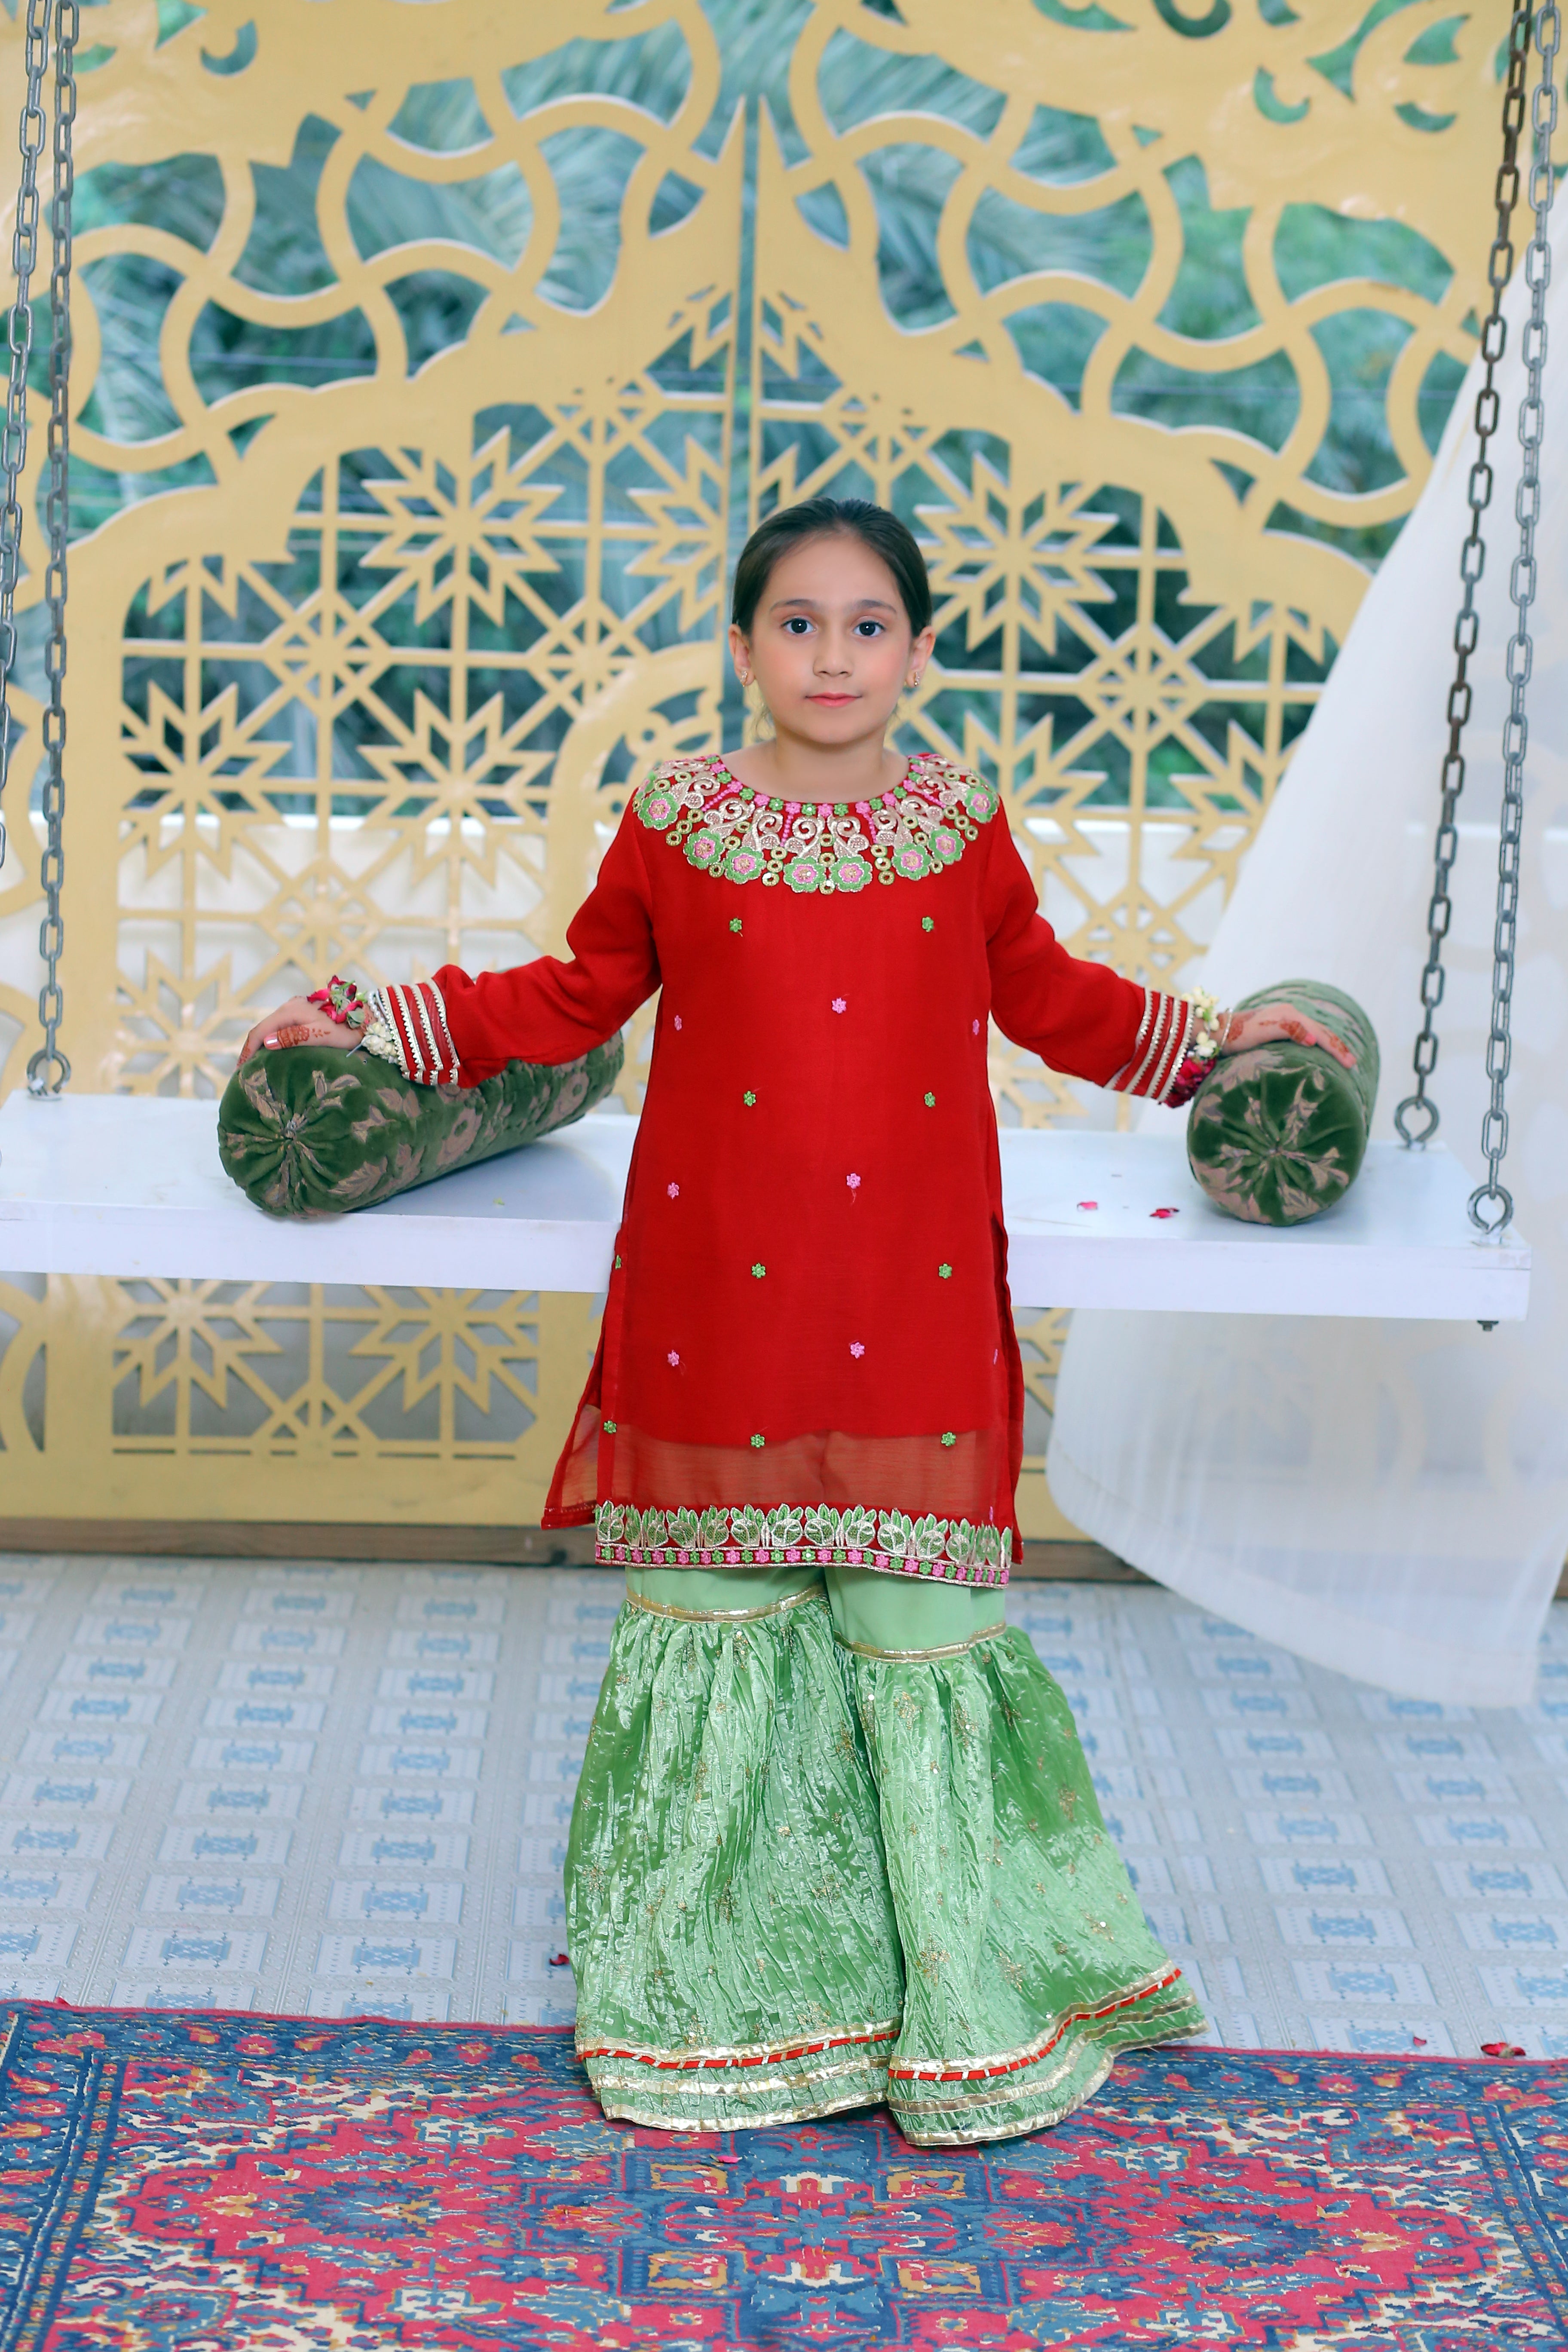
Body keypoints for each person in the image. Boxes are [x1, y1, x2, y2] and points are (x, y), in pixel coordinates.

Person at [241, 497, 1351, 2144]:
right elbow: (573, 994)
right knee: (718, 1621)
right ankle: (705, 2001)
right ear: (745, 643)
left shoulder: (959, 819)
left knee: (918, 1637)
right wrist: (375, 1019)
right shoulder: (679, 816)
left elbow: (1051, 999)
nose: (834, 655)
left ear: (917, 645)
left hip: (906, 1287)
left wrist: (1224, 1046)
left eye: (869, 624)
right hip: (718, 1291)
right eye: (799, 623)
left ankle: (968, 2006)